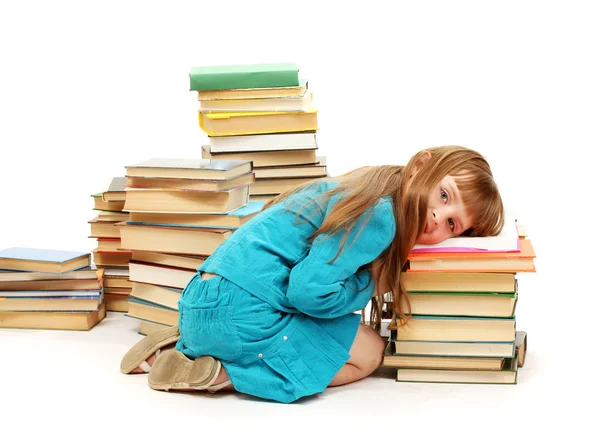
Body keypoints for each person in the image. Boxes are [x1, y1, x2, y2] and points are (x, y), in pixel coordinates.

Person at [120, 145, 504, 403]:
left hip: (201, 300)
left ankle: (181, 343)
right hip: (238, 315)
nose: (439, 218)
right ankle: (220, 373)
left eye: (453, 225)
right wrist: (370, 284)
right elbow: (307, 294)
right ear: (421, 166)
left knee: (344, 332)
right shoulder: (380, 215)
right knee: (369, 352)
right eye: (444, 195)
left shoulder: (363, 188)